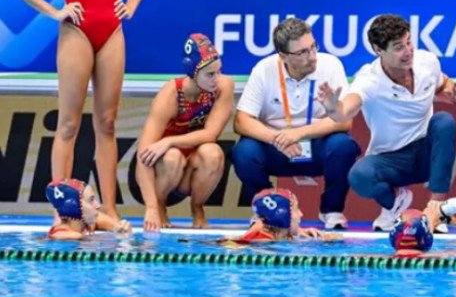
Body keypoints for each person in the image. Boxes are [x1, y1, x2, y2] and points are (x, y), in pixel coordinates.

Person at [9, 0, 148, 221]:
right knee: (68, 124)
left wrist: (130, 5)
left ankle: (111, 209)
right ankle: (62, 211)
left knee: (108, 123)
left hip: (112, 33)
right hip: (77, 34)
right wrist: (55, 12)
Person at [317, 14, 456, 232]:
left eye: (409, 42)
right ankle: (395, 202)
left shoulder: (427, 62)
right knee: (359, 176)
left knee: (444, 121)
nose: (408, 51)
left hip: (426, 153)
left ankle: (436, 210)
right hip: (390, 160)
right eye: (398, 47)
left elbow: (442, 83)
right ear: (378, 50)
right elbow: (344, 111)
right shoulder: (368, 80)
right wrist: (332, 106)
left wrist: (454, 89)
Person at [231, 18, 360, 230]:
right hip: (277, 147)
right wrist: (277, 138)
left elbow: (344, 121)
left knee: (343, 146)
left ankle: (332, 211)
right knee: (243, 152)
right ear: (283, 56)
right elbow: (242, 121)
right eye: (303, 53)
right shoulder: (264, 69)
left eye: (313, 47)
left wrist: (297, 133)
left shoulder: (330, 65)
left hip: (317, 145)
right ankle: (267, 209)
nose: (312, 57)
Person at [136, 34, 233, 232]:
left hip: (191, 168)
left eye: (219, 71)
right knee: (172, 157)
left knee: (213, 152)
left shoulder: (223, 87)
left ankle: (197, 208)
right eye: (210, 74)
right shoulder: (170, 95)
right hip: (161, 171)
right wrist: (151, 207)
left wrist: (169, 140)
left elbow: (210, 134)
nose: (217, 79)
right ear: (193, 73)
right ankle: (161, 206)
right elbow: (143, 155)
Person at [222, 189, 340, 243]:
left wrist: (298, 231)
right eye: (296, 209)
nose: (301, 214)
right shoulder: (263, 245)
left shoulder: (269, 234)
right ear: (283, 215)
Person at [45, 179, 131, 241]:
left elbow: (98, 217)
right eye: (91, 200)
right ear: (74, 206)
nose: (97, 206)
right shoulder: (69, 236)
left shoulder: (75, 226)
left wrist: (118, 227)